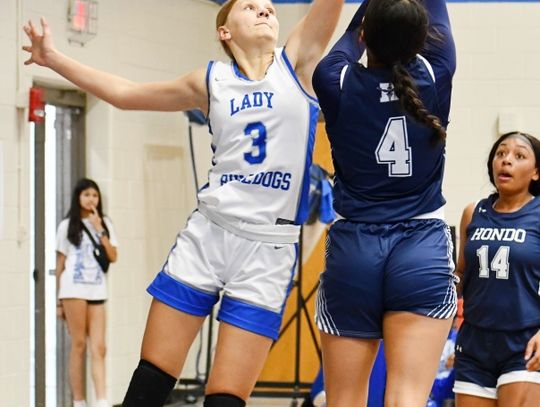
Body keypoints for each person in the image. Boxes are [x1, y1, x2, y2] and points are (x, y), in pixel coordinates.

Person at [23, 1, 344, 406]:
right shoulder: (210, 81)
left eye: (270, 8)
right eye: (250, 6)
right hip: (208, 237)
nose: (265, 11)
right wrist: (53, 58)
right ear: (224, 32)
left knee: (225, 398)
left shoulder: (296, 63)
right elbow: (126, 94)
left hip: (269, 247)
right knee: (150, 382)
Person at [312, 0, 457, 405]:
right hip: (420, 246)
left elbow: (347, 39)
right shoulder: (436, 71)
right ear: (420, 41)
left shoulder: (333, 79)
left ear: (364, 35)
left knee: (343, 399)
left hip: (354, 248)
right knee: (407, 396)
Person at [453, 131, 540, 407]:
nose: (506, 161)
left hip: (524, 344)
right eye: (500, 153)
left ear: (536, 172)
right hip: (474, 344)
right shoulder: (472, 213)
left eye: (519, 155)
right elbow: (461, 275)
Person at [56, 178, 118, 407]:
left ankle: (101, 400)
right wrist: (58, 302)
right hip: (73, 290)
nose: (91, 199)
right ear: (78, 197)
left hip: (97, 289)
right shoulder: (66, 226)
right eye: (86, 194)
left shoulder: (105, 223)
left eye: (95, 195)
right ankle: (79, 401)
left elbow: (113, 256)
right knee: (79, 344)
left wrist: (101, 230)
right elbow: (60, 264)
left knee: (99, 347)